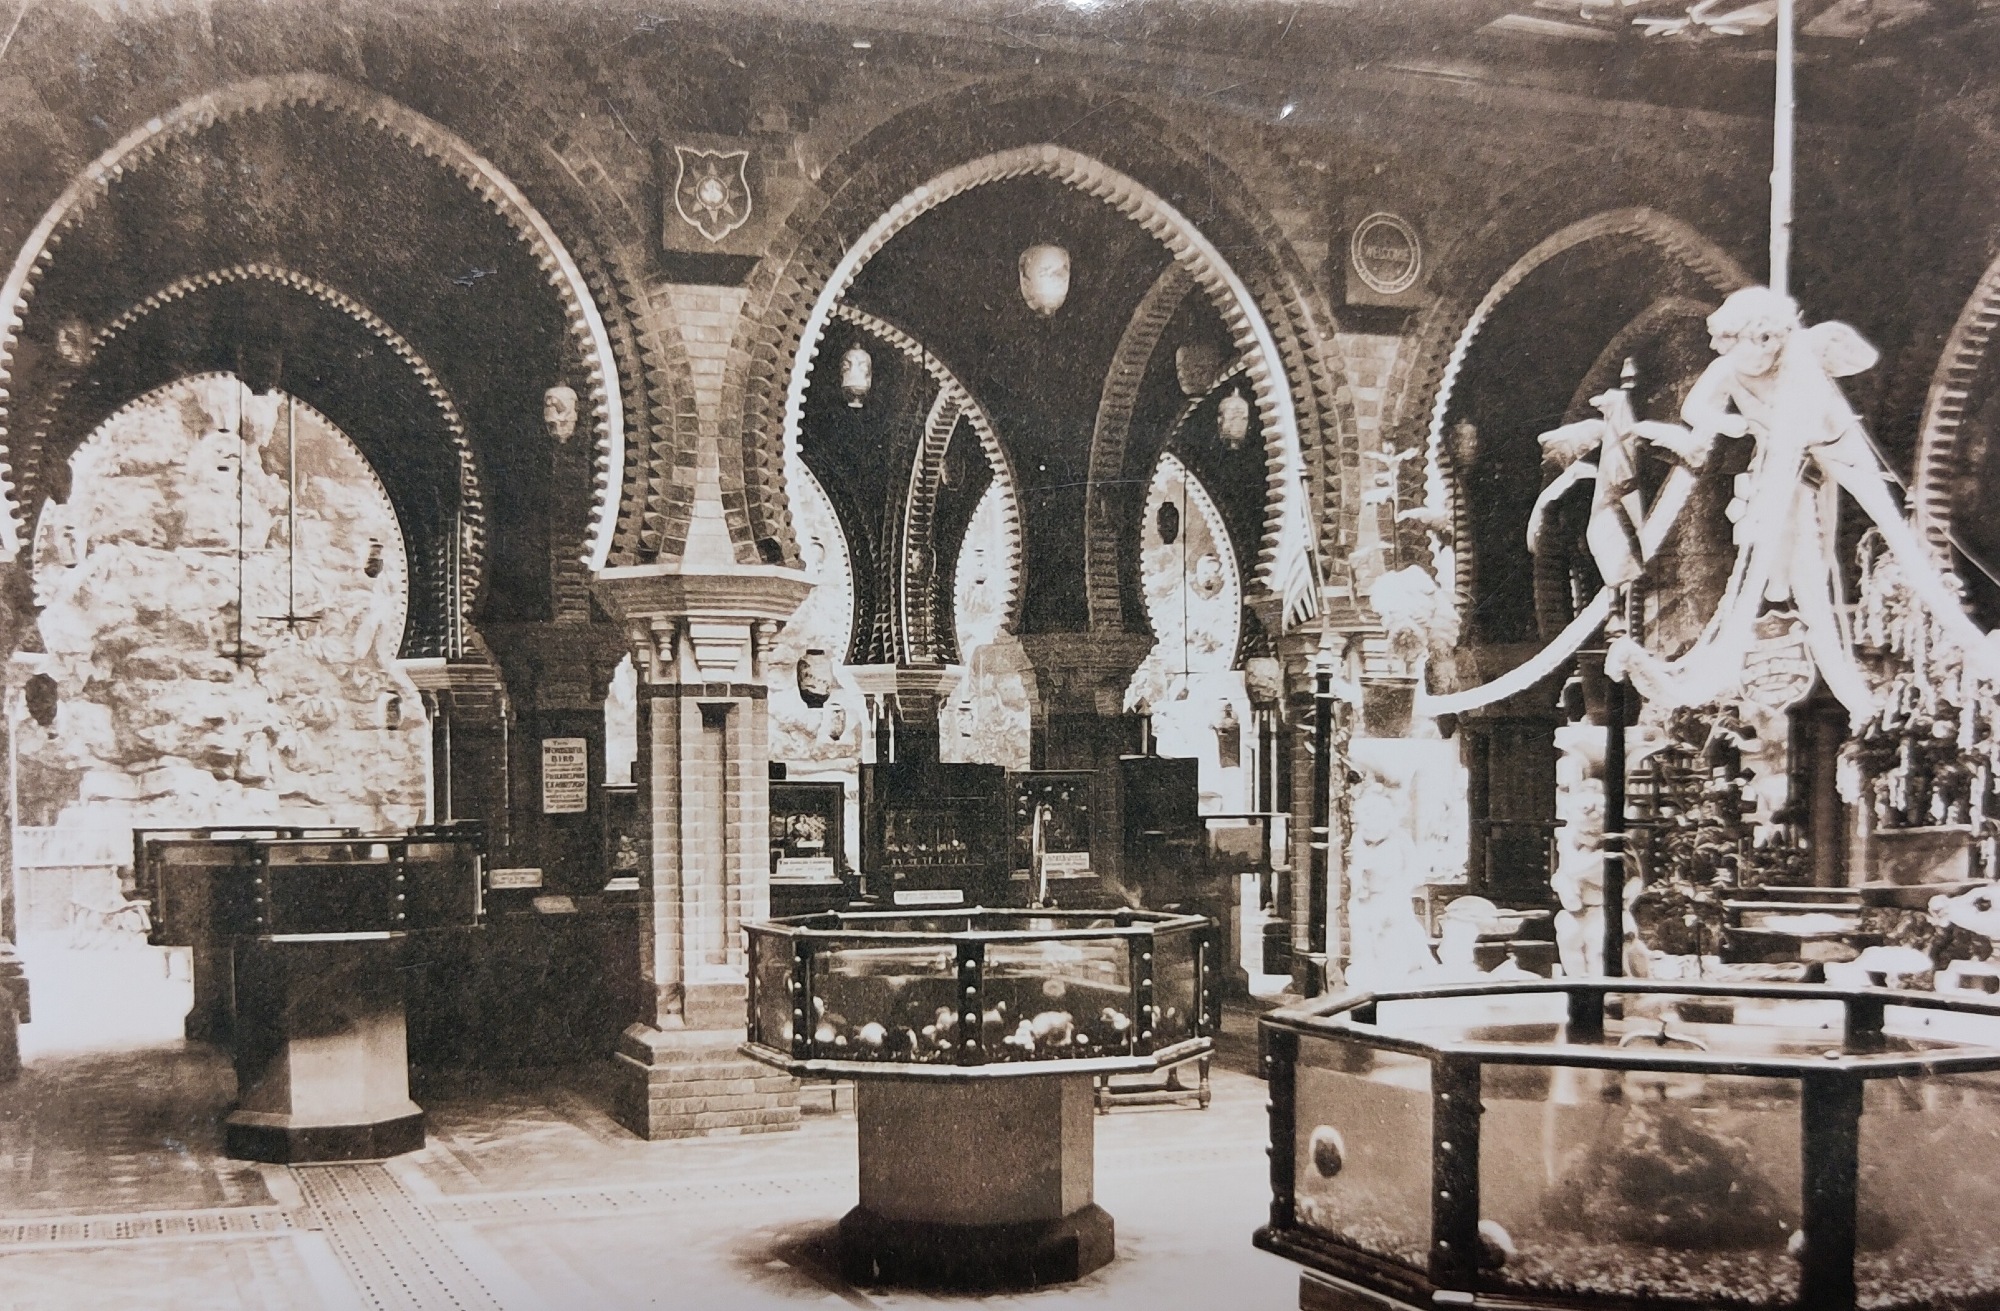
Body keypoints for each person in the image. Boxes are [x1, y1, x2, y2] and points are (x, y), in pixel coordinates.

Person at [1612, 286, 2000, 721]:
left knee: (1894, 528)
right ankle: (1743, 640)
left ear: (1773, 338)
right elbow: (1695, 409)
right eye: (1739, 343)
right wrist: (1732, 424)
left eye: (1762, 341)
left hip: (1832, 447)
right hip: (1780, 455)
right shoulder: (1727, 370)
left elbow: (1828, 395)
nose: (1753, 352)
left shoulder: (1801, 363)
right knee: (1768, 553)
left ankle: (1967, 638)